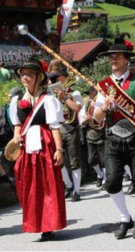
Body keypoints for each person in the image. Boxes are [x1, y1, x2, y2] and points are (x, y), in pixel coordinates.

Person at [94, 35, 135, 239]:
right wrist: (104, 105)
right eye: (111, 57)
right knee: (111, 182)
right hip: (112, 139)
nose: (113, 61)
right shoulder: (104, 85)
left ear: (126, 59)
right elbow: (96, 116)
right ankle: (125, 218)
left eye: (118, 57)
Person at [9, 57, 66, 241]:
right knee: (29, 186)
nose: (24, 78)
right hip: (26, 147)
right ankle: (35, 222)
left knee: (47, 185)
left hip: (45, 144)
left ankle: (48, 225)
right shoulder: (17, 100)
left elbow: (55, 127)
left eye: (28, 75)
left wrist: (59, 150)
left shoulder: (47, 99)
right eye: (23, 75)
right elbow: (18, 127)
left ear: (38, 77)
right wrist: (14, 141)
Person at [53, 68, 83, 202]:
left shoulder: (75, 92)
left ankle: (76, 191)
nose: (58, 81)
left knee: (74, 161)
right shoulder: (53, 96)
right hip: (59, 128)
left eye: (60, 78)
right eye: (57, 79)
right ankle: (69, 185)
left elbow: (77, 108)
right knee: (58, 161)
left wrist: (64, 97)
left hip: (71, 129)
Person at [79, 86, 106, 189]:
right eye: (88, 93)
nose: (89, 95)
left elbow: (103, 117)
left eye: (90, 93)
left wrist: (95, 111)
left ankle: (105, 180)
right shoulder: (86, 105)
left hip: (101, 133)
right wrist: (85, 120)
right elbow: (82, 122)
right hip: (90, 134)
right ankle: (100, 174)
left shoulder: (100, 102)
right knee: (91, 160)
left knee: (103, 160)